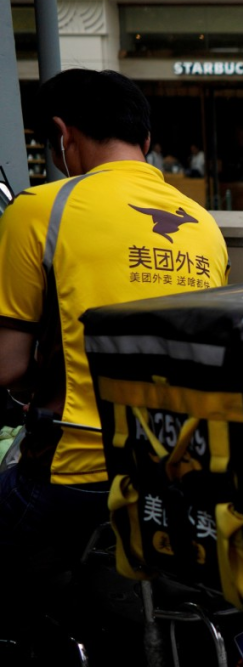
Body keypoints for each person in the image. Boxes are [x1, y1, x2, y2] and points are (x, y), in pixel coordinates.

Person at [0, 69, 229, 643]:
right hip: (176, 470)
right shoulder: (203, 224)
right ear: (145, 140)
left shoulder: (39, 209)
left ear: (62, 135)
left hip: (75, 472)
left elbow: (7, 367)